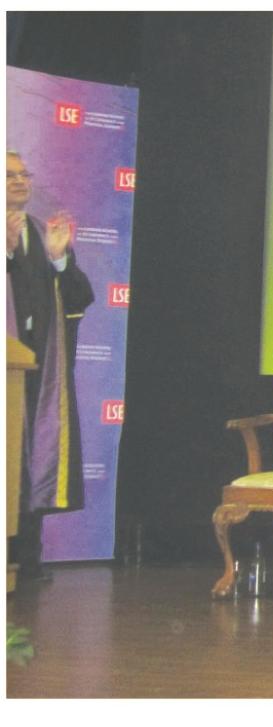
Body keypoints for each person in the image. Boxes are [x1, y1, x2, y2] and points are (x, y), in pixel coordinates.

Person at [6, 150, 94, 582]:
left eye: (24, 174)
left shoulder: (42, 234)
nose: (19, 181)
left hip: (33, 374)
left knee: (31, 459)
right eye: (9, 175)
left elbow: (79, 297)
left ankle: (24, 560)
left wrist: (60, 260)